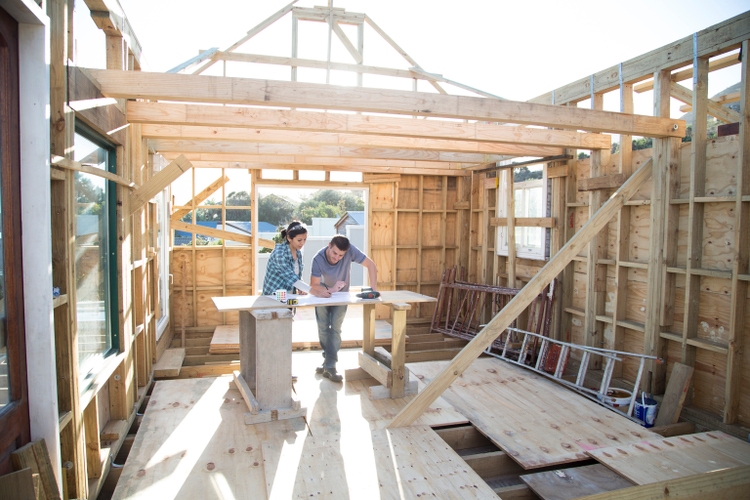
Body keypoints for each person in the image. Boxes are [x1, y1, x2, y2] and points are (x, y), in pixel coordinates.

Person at [309, 235, 378, 382]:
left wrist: (373, 290)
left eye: (341, 255)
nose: (337, 258)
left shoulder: (350, 250)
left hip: (342, 297)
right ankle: (328, 361)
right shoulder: (318, 259)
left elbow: (371, 265)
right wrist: (330, 290)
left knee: (335, 329)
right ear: (329, 246)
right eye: (334, 253)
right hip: (322, 296)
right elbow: (314, 285)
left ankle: (330, 366)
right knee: (322, 328)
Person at [262, 221, 310, 296]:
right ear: (289, 238)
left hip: (289, 298)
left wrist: (301, 289)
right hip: (273, 299)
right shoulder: (279, 253)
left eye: (305, 239)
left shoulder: (298, 253)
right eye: (299, 240)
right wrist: (313, 291)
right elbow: (291, 277)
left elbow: (297, 278)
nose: (302, 243)